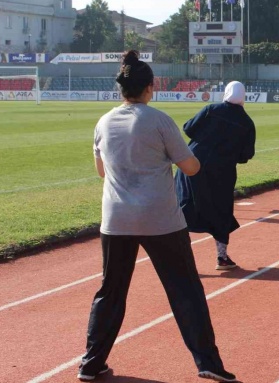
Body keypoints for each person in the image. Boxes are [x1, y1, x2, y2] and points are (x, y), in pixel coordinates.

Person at [80, 50, 236, 382]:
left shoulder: (103, 122)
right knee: (185, 290)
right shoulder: (160, 121)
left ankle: (91, 363)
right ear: (151, 87)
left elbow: (101, 172)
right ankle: (207, 361)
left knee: (110, 291)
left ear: (122, 89)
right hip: (160, 219)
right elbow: (191, 168)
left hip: (116, 219)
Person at [175, 81, 256, 271]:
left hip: (192, 165)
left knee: (184, 207)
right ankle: (222, 257)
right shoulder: (247, 122)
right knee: (221, 211)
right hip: (223, 172)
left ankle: (181, 260)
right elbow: (247, 155)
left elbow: (188, 128)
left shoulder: (211, 109)